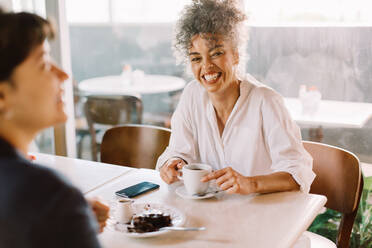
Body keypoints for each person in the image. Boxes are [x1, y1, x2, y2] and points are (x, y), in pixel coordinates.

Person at [157, 0, 315, 195]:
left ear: (235, 55)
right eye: (196, 58)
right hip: (211, 215)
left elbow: (298, 172)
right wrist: (172, 164)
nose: (206, 67)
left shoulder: (266, 101)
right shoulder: (192, 95)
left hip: (261, 215)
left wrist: (251, 184)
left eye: (216, 53)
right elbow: (179, 151)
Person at [0, 9, 108, 247]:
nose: (64, 74)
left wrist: (71, 219)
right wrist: (63, 214)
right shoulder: (51, 198)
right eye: (44, 63)